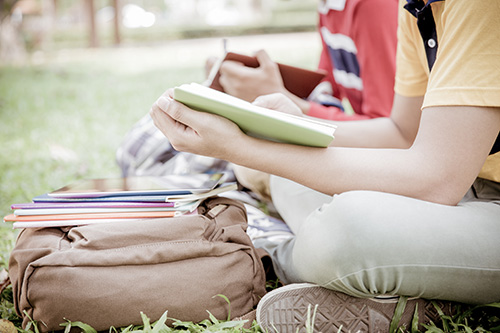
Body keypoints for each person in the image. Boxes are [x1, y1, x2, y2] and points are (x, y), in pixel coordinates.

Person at [150, 0, 500, 331]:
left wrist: (241, 148)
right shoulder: (417, 7)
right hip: (468, 190)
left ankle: (268, 259)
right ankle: (411, 293)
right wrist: (299, 122)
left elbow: (438, 180)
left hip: (468, 194)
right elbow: (403, 132)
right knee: (288, 172)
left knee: (344, 229)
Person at [215, 0, 398, 121]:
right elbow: (325, 91)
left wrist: (290, 102)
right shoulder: (328, 6)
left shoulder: (372, 5)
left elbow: (388, 127)